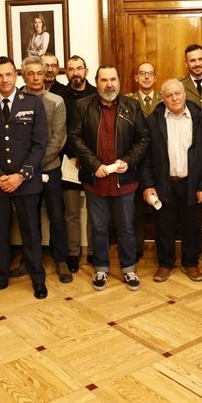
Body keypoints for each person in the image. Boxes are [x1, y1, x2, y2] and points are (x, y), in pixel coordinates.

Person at [68, 65, 150, 291]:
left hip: (125, 180)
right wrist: (94, 165)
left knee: (126, 227)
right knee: (99, 228)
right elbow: (74, 137)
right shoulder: (82, 106)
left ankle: (129, 269)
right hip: (96, 180)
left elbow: (143, 138)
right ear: (96, 82)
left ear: (119, 82)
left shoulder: (132, 106)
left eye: (113, 79)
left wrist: (129, 161)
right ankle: (101, 269)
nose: (109, 84)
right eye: (104, 80)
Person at [0, 56, 48, 300]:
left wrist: (20, 175)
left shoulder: (33, 103)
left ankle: (38, 278)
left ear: (16, 75)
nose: (4, 79)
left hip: (26, 181)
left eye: (8, 74)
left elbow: (40, 144)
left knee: (31, 233)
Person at [141, 79, 202, 282]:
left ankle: (191, 263)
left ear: (185, 94)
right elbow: (145, 158)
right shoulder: (153, 121)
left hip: (192, 183)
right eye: (169, 95)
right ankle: (165, 264)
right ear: (162, 98)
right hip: (163, 184)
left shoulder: (200, 119)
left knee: (192, 226)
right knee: (163, 226)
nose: (174, 98)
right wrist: (148, 186)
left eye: (178, 93)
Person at [20, 56, 71, 283]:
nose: (35, 77)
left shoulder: (56, 101)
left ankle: (61, 260)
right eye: (30, 73)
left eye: (39, 73)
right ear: (23, 76)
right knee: (28, 217)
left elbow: (58, 139)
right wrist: (25, 168)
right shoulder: (16, 100)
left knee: (56, 216)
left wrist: (32, 164)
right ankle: (31, 260)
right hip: (23, 172)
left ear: (45, 75)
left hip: (49, 169)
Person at [58, 55, 97, 272]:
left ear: (86, 71)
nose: (76, 73)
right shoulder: (59, 97)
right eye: (71, 69)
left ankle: (93, 252)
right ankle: (73, 254)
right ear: (67, 73)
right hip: (69, 161)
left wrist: (88, 156)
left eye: (79, 68)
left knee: (94, 211)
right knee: (71, 212)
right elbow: (59, 132)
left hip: (93, 162)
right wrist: (74, 154)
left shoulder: (96, 94)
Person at [124, 61, 163, 259]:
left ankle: (162, 250)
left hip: (159, 160)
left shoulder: (165, 99)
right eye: (142, 73)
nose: (146, 77)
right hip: (135, 160)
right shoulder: (127, 101)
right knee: (134, 209)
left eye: (150, 73)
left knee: (161, 206)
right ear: (136, 78)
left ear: (155, 78)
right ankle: (136, 248)